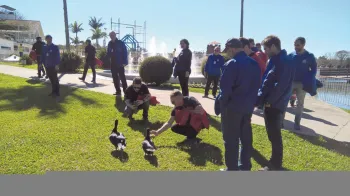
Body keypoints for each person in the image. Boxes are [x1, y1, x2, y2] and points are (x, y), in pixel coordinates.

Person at [217, 38, 261, 171]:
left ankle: (232, 169)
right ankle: (245, 165)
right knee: (245, 138)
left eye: (228, 50)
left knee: (231, 140)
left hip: (232, 108)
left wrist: (221, 105)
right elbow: (257, 86)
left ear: (232, 48)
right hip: (247, 107)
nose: (228, 53)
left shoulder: (231, 64)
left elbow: (225, 90)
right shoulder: (254, 64)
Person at [256, 35, 295, 171]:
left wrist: (269, 102)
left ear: (273, 46)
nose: (265, 51)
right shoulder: (275, 60)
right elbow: (268, 80)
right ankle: (274, 162)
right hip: (270, 103)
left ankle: (275, 164)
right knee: (272, 134)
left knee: (275, 135)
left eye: (266, 48)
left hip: (275, 104)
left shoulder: (284, 61)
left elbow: (281, 86)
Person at [283, 37, 317, 130]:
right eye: (294, 45)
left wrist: (309, 79)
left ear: (303, 45)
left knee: (300, 104)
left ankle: (297, 123)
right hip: (291, 82)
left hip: (302, 84)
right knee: (284, 101)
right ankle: (281, 121)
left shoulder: (309, 56)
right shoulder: (291, 55)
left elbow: (314, 69)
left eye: (298, 45)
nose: (295, 47)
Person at [107, 31, 128, 96]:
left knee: (122, 78)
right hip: (113, 63)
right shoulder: (109, 43)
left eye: (113, 35)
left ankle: (126, 91)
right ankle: (118, 91)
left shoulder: (120, 43)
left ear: (115, 35)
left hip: (120, 63)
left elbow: (125, 52)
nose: (112, 36)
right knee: (115, 78)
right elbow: (108, 53)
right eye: (110, 35)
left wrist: (125, 62)